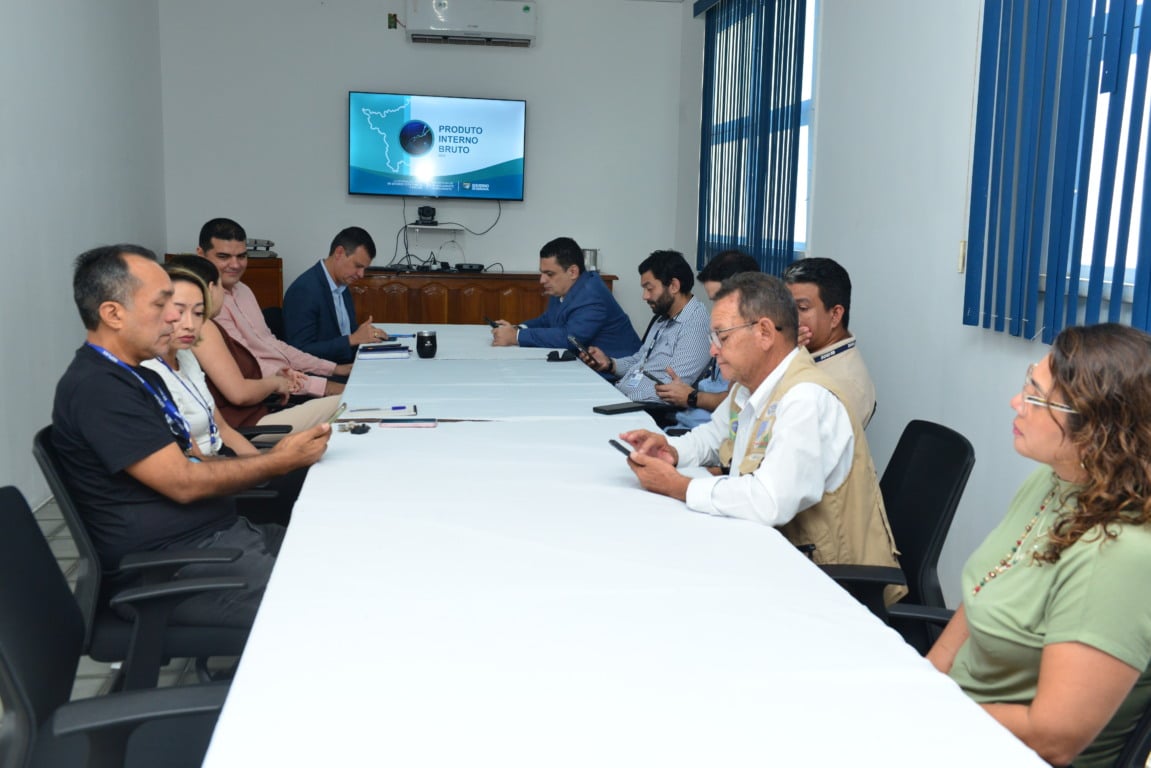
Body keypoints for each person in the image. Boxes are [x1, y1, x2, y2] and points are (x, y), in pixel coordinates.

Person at [51, 245, 331, 629]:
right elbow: (183, 482)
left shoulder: (140, 376)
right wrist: (278, 461)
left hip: (217, 538)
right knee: (333, 604)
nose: (174, 317)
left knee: (336, 554)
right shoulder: (99, 388)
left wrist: (268, 464)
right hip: (173, 569)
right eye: (160, 304)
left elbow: (195, 459)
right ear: (113, 314)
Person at [927, 324, 1151, 768]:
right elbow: (986, 587)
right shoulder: (1055, 481)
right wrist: (924, 682)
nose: (1016, 402)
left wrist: (932, 713)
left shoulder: (1119, 553)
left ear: (1094, 430)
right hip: (955, 724)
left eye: (1034, 395)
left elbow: (1053, 737)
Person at [617, 272, 902, 584]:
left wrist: (680, 487)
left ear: (765, 333)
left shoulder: (806, 398)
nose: (713, 351)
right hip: (769, 551)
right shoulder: (750, 384)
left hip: (823, 578)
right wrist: (671, 450)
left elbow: (770, 500)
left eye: (722, 337)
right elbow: (714, 436)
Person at [142, 263, 309, 525]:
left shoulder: (186, 357)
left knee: (315, 473)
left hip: (226, 461)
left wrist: (265, 467)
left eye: (199, 313)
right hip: (215, 488)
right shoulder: (149, 374)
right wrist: (268, 467)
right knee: (312, 484)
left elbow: (222, 428)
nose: (190, 325)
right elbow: (194, 464)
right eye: (179, 312)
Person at [168, 254, 342, 433]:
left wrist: (277, 374)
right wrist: (275, 382)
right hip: (250, 424)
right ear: (211, 288)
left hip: (255, 414)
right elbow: (239, 394)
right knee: (347, 402)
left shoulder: (232, 303)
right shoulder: (205, 328)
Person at [198, 218, 352, 397]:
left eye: (241, 256)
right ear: (201, 254)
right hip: (271, 390)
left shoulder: (244, 290)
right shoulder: (204, 304)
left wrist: (334, 368)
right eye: (223, 257)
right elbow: (249, 366)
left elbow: (274, 345)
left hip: (291, 376)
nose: (235, 265)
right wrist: (326, 387)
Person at [581, 250, 713, 404]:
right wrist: (610, 364)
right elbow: (641, 360)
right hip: (623, 397)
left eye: (649, 289)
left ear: (674, 286)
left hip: (646, 410)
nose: (645, 296)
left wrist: (621, 400)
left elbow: (671, 390)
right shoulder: (664, 317)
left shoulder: (696, 326)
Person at [654, 250, 760, 429]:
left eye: (721, 299)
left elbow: (736, 402)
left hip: (704, 432)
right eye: (714, 301)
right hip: (690, 427)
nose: (716, 309)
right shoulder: (726, 330)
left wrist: (692, 397)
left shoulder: (753, 342)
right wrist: (684, 391)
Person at [490, 236, 640, 357]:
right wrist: (517, 328)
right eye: (542, 273)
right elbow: (547, 320)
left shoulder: (592, 295)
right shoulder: (564, 287)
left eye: (549, 274)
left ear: (572, 272)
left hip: (615, 374)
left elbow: (570, 338)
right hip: (585, 365)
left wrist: (516, 336)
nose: (542, 280)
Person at [781, 257, 876, 428]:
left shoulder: (845, 384)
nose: (789, 317)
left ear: (835, 315)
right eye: (786, 306)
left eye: (802, 308)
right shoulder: (804, 352)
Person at [282, 226, 389, 364]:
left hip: (346, 363)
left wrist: (364, 334)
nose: (361, 274)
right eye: (358, 266)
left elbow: (342, 333)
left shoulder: (342, 285)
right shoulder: (304, 290)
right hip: (323, 372)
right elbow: (300, 352)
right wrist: (352, 339)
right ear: (339, 253)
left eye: (364, 268)